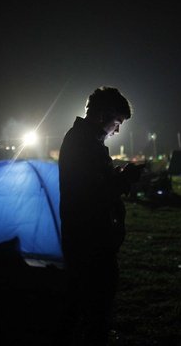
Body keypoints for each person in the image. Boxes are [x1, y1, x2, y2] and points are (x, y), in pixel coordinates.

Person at [58, 86, 144, 345]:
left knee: (83, 303)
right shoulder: (83, 144)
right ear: (102, 115)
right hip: (90, 238)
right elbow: (93, 192)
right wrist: (125, 179)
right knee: (95, 305)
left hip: (89, 236)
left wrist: (118, 174)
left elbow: (95, 182)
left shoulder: (86, 141)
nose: (116, 130)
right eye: (116, 123)